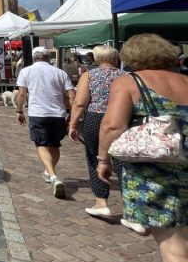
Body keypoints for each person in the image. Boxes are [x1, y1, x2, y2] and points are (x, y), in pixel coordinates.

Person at [96, 34, 188, 262]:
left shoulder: (130, 81)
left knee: (174, 248)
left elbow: (112, 126)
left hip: (157, 172)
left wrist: (103, 159)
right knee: (183, 237)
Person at [67, 45, 124, 219]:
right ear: (116, 58)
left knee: (95, 158)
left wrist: (73, 124)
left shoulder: (89, 75)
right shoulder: (126, 76)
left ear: (97, 59)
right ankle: (130, 206)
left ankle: (101, 202)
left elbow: (80, 103)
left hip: (95, 118)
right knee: (122, 160)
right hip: (121, 117)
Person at [16, 47, 75, 199]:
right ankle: (49, 172)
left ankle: (53, 176)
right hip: (58, 114)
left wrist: (19, 111)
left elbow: (22, 94)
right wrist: (72, 114)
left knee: (41, 144)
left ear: (34, 57)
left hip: (38, 113)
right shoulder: (60, 72)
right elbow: (72, 94)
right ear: (48, 57)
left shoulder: (26, 71)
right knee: (55, 145)